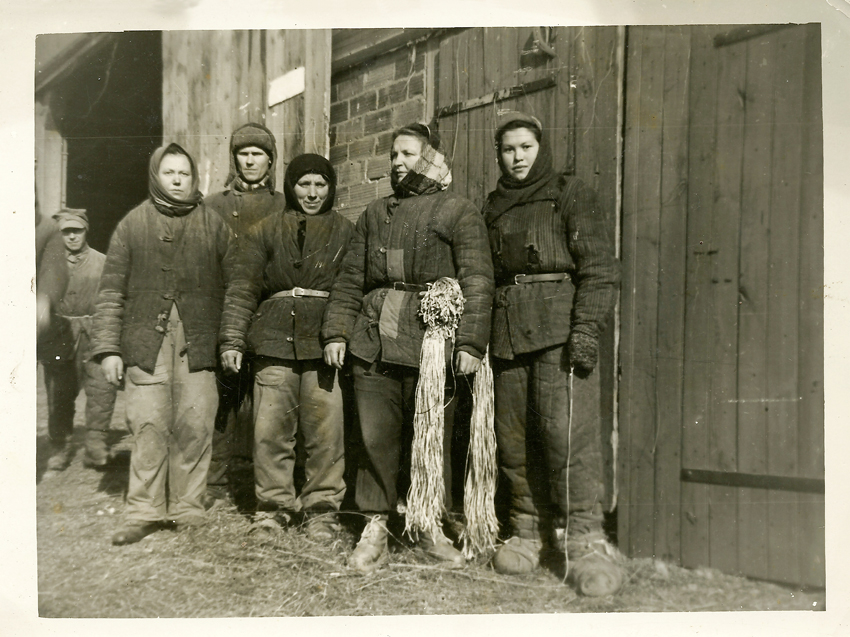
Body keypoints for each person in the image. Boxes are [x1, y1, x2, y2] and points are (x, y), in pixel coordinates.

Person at [323, 123, 494, 572]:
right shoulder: (375, 213)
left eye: (406, 154)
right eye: (393, 155)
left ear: (429, 157)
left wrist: (472, 341)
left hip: (431, 342)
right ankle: (376, 525)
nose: (396, 163)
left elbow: (477, 278)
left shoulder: (458, 210)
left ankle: (426, 525)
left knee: (430, 438)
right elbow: (350, 280)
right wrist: (338, 332)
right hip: (374, 338)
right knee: (375, 435)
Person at [483, 112, 623, 596]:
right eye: (508, 149)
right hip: (508, 336)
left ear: (540, 148)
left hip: (560, 332)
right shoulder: (493, 206)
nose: (517, 157)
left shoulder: (570, 193)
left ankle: (585, 539)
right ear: (498, 154)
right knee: (514, 438)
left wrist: (585, 329)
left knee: (568, 438)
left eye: (525, 147)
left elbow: (600, 268)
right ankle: (526, 530)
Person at [91, 143, 232, 545]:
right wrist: (109, 349)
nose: (176, 179)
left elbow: (237, 283)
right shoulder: (133, 225)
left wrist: (227, 339)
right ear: (156, 176)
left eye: (183, 174)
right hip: (145, 342)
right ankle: (143, 510)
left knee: (195, 422)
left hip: (198, 342)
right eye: (168, 172)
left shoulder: (215, 225)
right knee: (149, 423)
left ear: (194, 179)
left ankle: (188, 506)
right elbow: (110, 292)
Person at [219, 153, 353, 541]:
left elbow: (348, 288)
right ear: (291, 186)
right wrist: (232, 338)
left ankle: (322, 509)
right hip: (273, 341)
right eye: (303, 184)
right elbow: (243, 287)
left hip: (324, 343)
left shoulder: (346, 231)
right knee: (271, 430)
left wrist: (337, 333)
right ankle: (273, 508)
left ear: (331, 187)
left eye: (320, 184)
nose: (312, 193)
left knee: (325, 430)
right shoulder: (263, 230)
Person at [204, 123, 287, 509]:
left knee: (269, 401)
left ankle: (267, 483)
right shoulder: (213, 206)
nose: (250, 160)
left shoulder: (283, 205)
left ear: (270, 160)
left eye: (258, 153)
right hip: (225, 310)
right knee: (223, 397)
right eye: (243, 153)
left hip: (269, 312)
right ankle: (217, 480)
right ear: (234, 159)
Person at [37, 208, 118, 474]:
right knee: (58, 393)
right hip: (59, 334)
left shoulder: (103, 262)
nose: (72, 237)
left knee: (101, 390)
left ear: (86, 231)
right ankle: (59, 447)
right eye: (66, 232)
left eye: (77, 231)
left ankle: (96, 444)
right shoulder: (46, 265)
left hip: (95, 332)